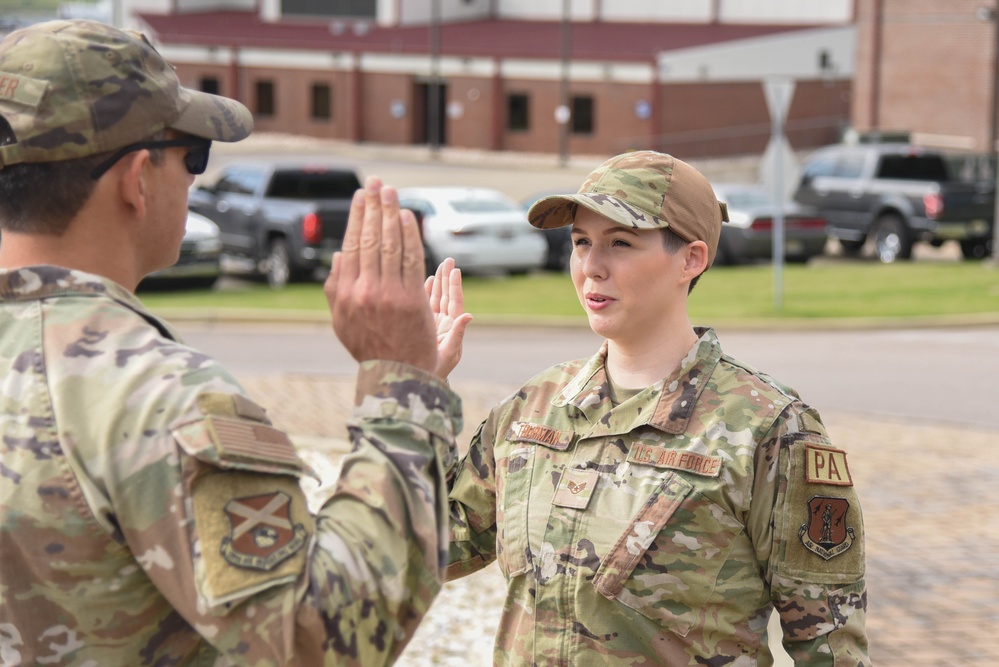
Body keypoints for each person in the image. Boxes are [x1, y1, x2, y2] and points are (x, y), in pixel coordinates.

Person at [0, 19, 460, 665]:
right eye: (193, 155)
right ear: (137, 178)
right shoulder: (158, 397)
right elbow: (317, 639)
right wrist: (404, 383)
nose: (194, 179)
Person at [435, 150, 870, 665]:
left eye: (620, 243)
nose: (591, 266)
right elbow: (433, 549)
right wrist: (422, 390)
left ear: (691, 259)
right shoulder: (533, 409)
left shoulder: (769, 429)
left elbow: (831, 651)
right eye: (581, 242)